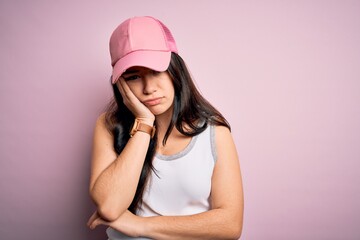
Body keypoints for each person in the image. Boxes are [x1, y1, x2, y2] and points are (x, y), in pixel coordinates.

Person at [87, 16, 244, 239]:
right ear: (120, 84)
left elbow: (230, 225)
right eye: (133, 77)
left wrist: (140, 225)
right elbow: (109, 207)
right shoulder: (109, 125)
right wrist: (144, 123)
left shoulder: (215, 133)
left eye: (156, 71)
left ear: (175, 70)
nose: (149, 88)